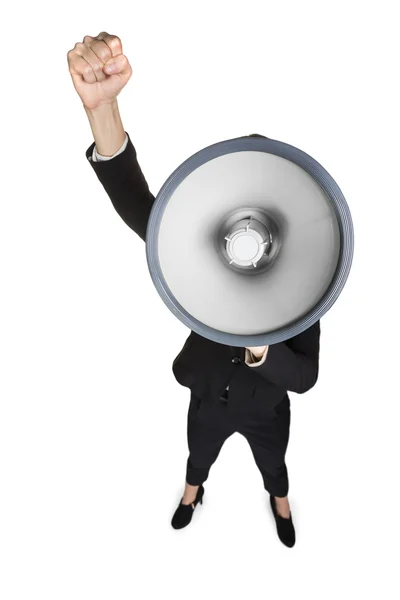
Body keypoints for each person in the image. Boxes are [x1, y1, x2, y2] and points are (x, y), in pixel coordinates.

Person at [67, 32, 321, 548]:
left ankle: (280, 501)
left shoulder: (307, 292)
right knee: (197, 456)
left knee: (274, 462)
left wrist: (261, 341)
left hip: (265, 408)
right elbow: (139, 204)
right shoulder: (198, 257)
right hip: (206, 399)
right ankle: (191, 495)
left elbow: (305, 377)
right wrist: (105, 109)